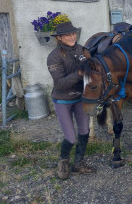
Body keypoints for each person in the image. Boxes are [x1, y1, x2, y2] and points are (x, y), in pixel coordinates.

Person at [47, 21, 96, 179]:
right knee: (70, 137)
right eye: (67, 35)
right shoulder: (53, 57)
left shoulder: (83, 50)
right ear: (59, 38)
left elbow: (93, 70)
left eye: (73, 33)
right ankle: (63, 163)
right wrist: (80, 73)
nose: (72, 36)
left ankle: (79, 163)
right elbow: (60, 84)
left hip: (81, 99)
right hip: (63, 100)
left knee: (84, 131)